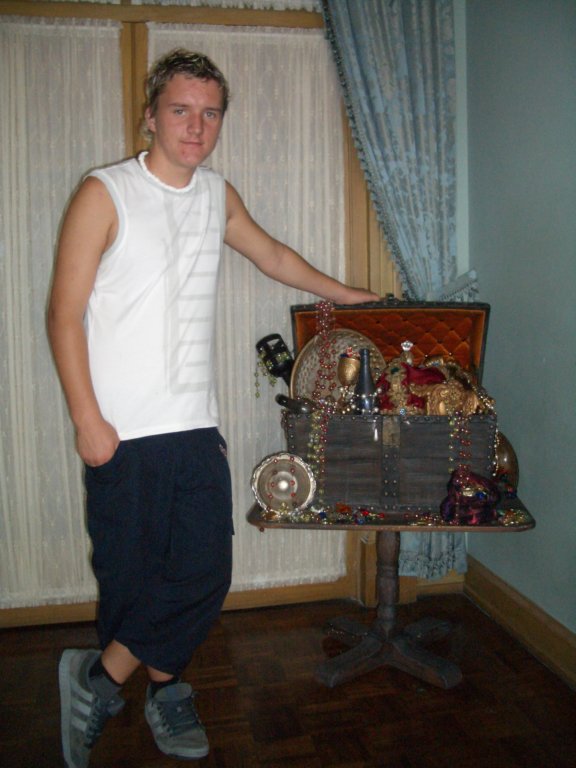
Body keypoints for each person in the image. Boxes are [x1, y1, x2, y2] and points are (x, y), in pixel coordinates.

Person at [47, 48, 378, 768]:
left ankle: (97, 681)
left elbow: (274, 256)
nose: (196, 126)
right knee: (131, 579)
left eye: (210, 113)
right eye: (180, 110)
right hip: (121, 430)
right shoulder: (104, 192)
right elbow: (63, 314)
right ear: (151, 116)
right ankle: (163, 693)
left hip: (194, 427)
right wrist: (86, 420)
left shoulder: (216, 195)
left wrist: (348, 296)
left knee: (203, 573)